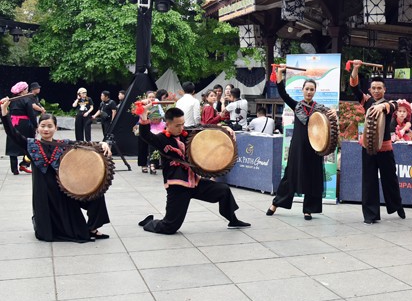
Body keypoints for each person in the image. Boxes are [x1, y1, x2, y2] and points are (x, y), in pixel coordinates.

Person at [1, 99, 111, 241]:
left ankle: (92, 228)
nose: (46, 129)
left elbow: (83, 145)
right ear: (38, 128)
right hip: (43, 194)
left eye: (50, 126)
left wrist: (101, 144)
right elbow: (12, 133)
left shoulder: (63, 144)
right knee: (48, 234)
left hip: (64, 190)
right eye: (43, 126)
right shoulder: (31, 144)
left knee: (97, 195)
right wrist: (4, 112)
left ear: (56, 128)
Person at [136, 105, 250, 233]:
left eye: (183, 124)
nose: (181, 128)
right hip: (178, 186)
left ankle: (233, 220)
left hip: (195, 182)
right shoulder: (161, 139)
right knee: (170, 227)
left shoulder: (187, 134)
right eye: (177, 125)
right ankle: (149, 222)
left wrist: (223, 128)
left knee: (223, 190)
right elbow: (146, 135)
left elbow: (204, 128)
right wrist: (144, 116)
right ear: (167, 124)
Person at [266, 65, 334, 220]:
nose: (309, 92)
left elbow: (329, 122)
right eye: (307, 89)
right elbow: (282, 93)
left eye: (312, 89)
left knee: (313, 177)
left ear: (315, 91)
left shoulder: (320, 108)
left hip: (315, 148)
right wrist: (280, 73)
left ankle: (308, 209)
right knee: (290, 176)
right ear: (302, 90)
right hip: (298, 148)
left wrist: (333, 114)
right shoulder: (297, 106)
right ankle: (275, 204)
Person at [350, 61, 405, 224]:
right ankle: (370, 214)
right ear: (370, 89)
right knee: (369, 181)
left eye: (379, 88)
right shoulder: (366, 101)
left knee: (390, 180)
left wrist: (384, 106)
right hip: (367, 147)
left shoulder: (389, 104)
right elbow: (354, 86)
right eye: (373, 88)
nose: (376, 91)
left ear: (384, 90)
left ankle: (397, 205)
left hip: (385, 148)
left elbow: (396, 105)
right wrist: (355, 68)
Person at [5, 82, 37, 175]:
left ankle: (14, 169)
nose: (27, 91)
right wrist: (36, 125)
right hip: (24, 125)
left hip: (12, 124)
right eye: (26, 89)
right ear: (23, 91)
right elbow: (31, 114)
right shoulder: (27, 100)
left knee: (12, 144)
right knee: (29, 145)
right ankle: (24, 164)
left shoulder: (11, 100)